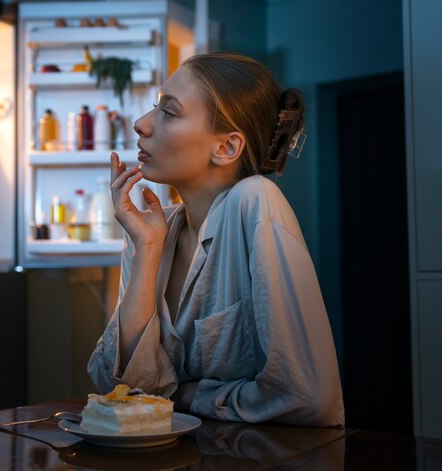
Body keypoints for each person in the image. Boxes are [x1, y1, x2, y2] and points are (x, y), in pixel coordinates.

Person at [87, 52, 344, 426]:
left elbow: (307, 397)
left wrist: (187, 396)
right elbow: (127, 392)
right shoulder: (153, 232)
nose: (141, 124)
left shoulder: (255, 200)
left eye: (169, 112)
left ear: (226, 148)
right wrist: (146, 249)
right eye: (153, 108)